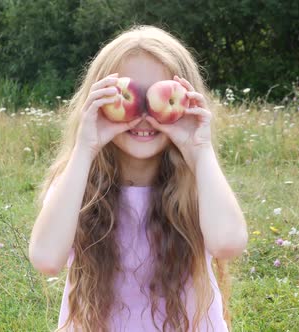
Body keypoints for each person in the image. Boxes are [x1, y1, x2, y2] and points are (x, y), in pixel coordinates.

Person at [29, 25, 248, 332]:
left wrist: (200, 151)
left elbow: (229, 243)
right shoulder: (78, 183)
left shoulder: (199, 182)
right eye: (128, 94)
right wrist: (85, 149)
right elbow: (46, 258)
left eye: (161, 95)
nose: (144, 113)